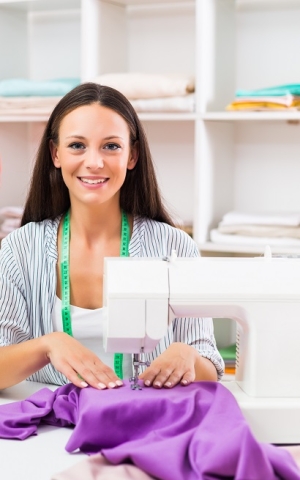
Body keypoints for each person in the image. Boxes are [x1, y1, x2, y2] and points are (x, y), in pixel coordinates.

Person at [0, 82, 224, 391]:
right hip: (49, 428)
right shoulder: (18, 250)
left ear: (132, 156)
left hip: (145, 423)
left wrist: (189, 356)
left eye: (111, 146)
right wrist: (47, 346)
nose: (94, 162)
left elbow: (209, 367)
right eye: (77, 145)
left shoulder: (176, 248)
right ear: (56, 154)